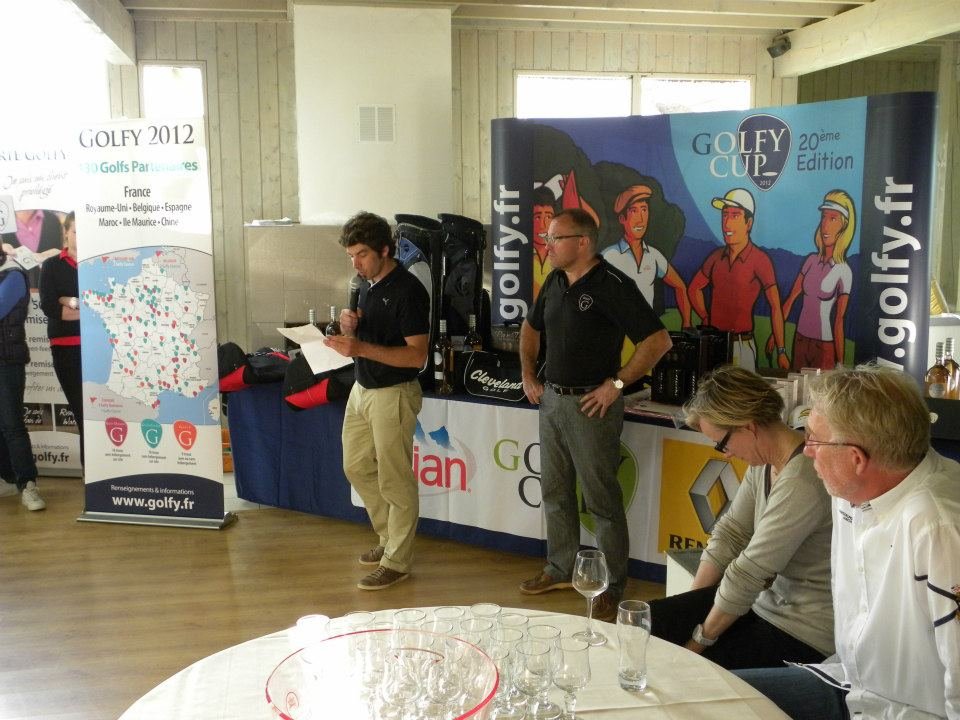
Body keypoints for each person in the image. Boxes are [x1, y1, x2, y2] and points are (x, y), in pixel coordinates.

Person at [735, 365, 960, 719]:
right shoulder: (849, 488)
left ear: (856, 459)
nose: (806, 450)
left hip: (910, 711)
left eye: (813, 439)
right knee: (710, 696)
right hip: (851, 686)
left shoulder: (937, 527)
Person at [518, 207, 672, 620]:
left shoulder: (612, 284)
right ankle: (560, 567)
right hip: (551, 400)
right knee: (555, 491)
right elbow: (531, 329)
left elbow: (658, 341)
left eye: (555, 238)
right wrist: (529, 375)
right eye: (547, 238)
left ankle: (611, 585)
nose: (547, 246)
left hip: (591, 405)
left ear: (583, 242)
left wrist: (616, 385)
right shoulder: (554, 281)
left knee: (601, 500)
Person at [647, 365, 833, 669]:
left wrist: (698, 642)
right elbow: (731, 532)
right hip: (765, 606)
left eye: (722, 443)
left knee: (684, 668)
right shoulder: (765, 463)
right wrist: (692, 604)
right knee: (645, 622)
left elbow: (749, 571)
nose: (726, 454)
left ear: (748, 426)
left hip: (803, 631)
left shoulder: (802, 480)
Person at [324, 211, 430, 591]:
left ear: (385, 250)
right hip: (362, 388)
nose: (356, 264)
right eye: (351, 256)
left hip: (393, 393)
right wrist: (349, 328)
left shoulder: (409, 291)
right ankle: (389, 538)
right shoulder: (366, 285)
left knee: (395, 479)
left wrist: (359, 348)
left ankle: (397, 561)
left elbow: (416, 356)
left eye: (362, 255)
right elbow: (369, 339)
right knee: (355, 466)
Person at [688, 188, 789, 372]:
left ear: (748, 223)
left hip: (742, 346)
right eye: (724, 215)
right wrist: (705, 316)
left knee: (742, 390)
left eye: (734, 216)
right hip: (714, 344)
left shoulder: (760, 260)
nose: (727, 223)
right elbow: (694, 288)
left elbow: (775, 306)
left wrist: (781, 351)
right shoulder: (716, 257)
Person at [767, 190, 855, 370]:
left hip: (824, 346)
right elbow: (790, 301)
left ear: (844, 226)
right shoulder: (810, 261)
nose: (825, 225)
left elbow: (839, 320)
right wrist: (775, 336)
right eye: (824, 217)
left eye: (833, 219)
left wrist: (840, 364)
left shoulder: (844, 271)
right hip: (799, 340)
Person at [602, 183, 691, 328]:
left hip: (648, 335)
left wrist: (687, 324)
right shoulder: (608, 256)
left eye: (644, 210)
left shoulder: (654, 255)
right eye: (634, 211)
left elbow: (680, 286)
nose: (641, 219)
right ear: (622, 219)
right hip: (619, 335)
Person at [0, 244, 45, 510]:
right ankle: (7, 478)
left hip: (6, 362)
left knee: (12, 425)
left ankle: (28, 485)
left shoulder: (13, 274)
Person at [39, 211, 84, 466]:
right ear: (66, 232)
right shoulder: (52, 265)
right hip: (66, 349)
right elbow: (50, 308)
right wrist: (85, 308)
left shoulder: (97, 264)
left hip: (98, 347)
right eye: (76, 231)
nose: (81, 237)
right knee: (82, 413)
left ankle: (99, 475)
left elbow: (107, 303)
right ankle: (89, 475)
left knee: (100, 415)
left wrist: (68, 300)